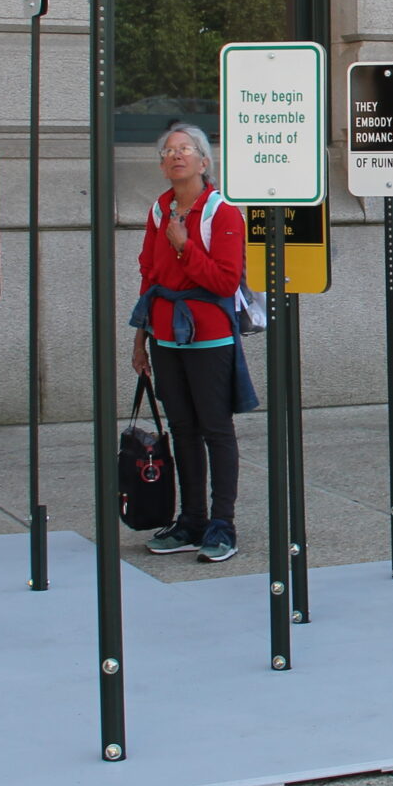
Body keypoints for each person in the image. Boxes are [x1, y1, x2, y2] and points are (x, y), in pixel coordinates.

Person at [129, 120, 258, 561]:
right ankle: (192, 520)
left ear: (204, 162)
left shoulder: (222, 213)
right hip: (165, 334)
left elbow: (224, 281)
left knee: (216, 429)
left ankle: (223, 525)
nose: (175, 156)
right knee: (182, 429)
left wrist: (184, 246)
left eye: (185, 149)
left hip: (209, 337)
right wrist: (140, 341)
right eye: (168, 151)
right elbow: (149, 275)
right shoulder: (158, 210)